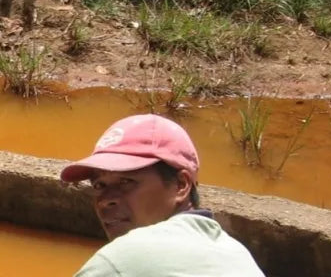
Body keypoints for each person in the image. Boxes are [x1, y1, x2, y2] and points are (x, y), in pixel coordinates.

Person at [61, 114, 264, 277]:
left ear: (181, 185)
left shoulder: (125, 257)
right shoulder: (235, 252)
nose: (106, 200)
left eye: (126, 182)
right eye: (99, 185)